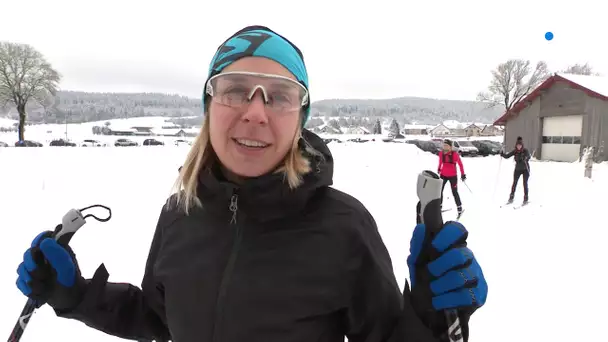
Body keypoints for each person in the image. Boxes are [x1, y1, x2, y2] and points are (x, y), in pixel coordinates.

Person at [15, 26, 487, 342]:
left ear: (300, 118)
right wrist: (75, 294)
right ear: (210, 105)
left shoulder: (344, 227)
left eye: (280, 96)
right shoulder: (180, 212)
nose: (255, 111)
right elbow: (161, 320)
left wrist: (429, 317)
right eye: (236, 89)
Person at [437, 139, 466, 216]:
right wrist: (439, 169)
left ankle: (459, 208)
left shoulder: (455, 155)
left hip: (453, 176)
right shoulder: (441, 153)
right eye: (444, 145)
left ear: (450, 147)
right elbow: (440, 162)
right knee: (439, 191)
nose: (445, 147)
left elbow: (460, 164)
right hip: (443, 175)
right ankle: (439, 207)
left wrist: (463, 174)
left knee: (454, 192)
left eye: (447, 145)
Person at [501, 136, 530, 204]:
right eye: (517, 145)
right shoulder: (515, 151)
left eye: (520, 145)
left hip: (525, 169)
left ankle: (526, 198)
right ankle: (511, 197)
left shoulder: (525, 150)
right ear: (516, 145)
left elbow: (528, 156)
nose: (519, 147)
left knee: (525, 183)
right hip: (518, 169)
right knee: (514, 183)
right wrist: (502, 154)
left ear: (522, 145)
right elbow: (507, 156)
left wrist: (525, 158)